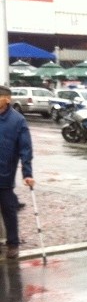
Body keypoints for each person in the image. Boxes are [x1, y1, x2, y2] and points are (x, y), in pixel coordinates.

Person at [0, 85, 35, 259]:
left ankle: (12, 243)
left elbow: (25, 149)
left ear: (7, 99)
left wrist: (27, 173)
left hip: (4, 174)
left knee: (8, 209)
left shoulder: (18, 121)